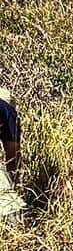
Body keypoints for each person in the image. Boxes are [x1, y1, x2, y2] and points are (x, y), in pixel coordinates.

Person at [1, 87, 28, 226]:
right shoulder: (9, 112)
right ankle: (16, 227)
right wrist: (13, 182)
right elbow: (13, 155)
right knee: (6, 197)